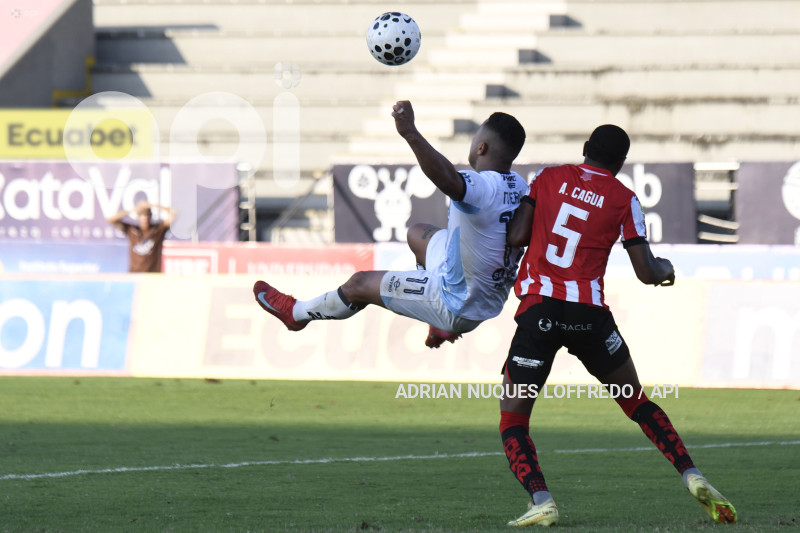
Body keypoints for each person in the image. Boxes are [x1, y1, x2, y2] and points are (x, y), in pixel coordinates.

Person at [499, 125, 737, 527]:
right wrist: (666, 271)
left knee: (514, 419)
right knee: (635, 400)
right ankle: (690, 473)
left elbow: (517, 236)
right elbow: (646, 271)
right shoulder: (625, 199)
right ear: (620, 163)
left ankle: (542, 500)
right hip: (590, 317)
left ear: (586, 149)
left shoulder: (547, 178)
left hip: (539, 312)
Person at [254, 100, 528, 348]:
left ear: (481, 147)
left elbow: (448, 180)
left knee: (360, 284)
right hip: (488, 298)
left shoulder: (482, 186)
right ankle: (433, 316)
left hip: (456, 304)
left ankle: (296, 314)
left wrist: (409, 131)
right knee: (418, 233)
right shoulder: (519, 186)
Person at [108, 200, 175, 273]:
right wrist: (134, 209)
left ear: (151, 216)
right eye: (143, 215)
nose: (145, 218)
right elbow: (112, 219)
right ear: (138, 217)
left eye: (147, 215)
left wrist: (152, 205)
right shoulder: (132, 229)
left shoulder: (158, 229)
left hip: (152, 275)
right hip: (134, 274)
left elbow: (174, 213)